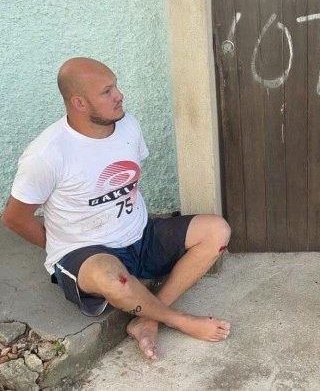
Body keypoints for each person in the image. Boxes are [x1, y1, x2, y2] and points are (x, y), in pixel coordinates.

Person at [2, 57, 231, 361]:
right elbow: (14, 218)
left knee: (217, 231)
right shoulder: (46, 155)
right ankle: (179, 320)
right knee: (113, 279)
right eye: (107, 91)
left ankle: (147, 319)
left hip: (141, 235)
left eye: (116, 86)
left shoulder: (128, 126)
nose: (119, 95)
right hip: (88, 251)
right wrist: (58, 246)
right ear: (79, 103)